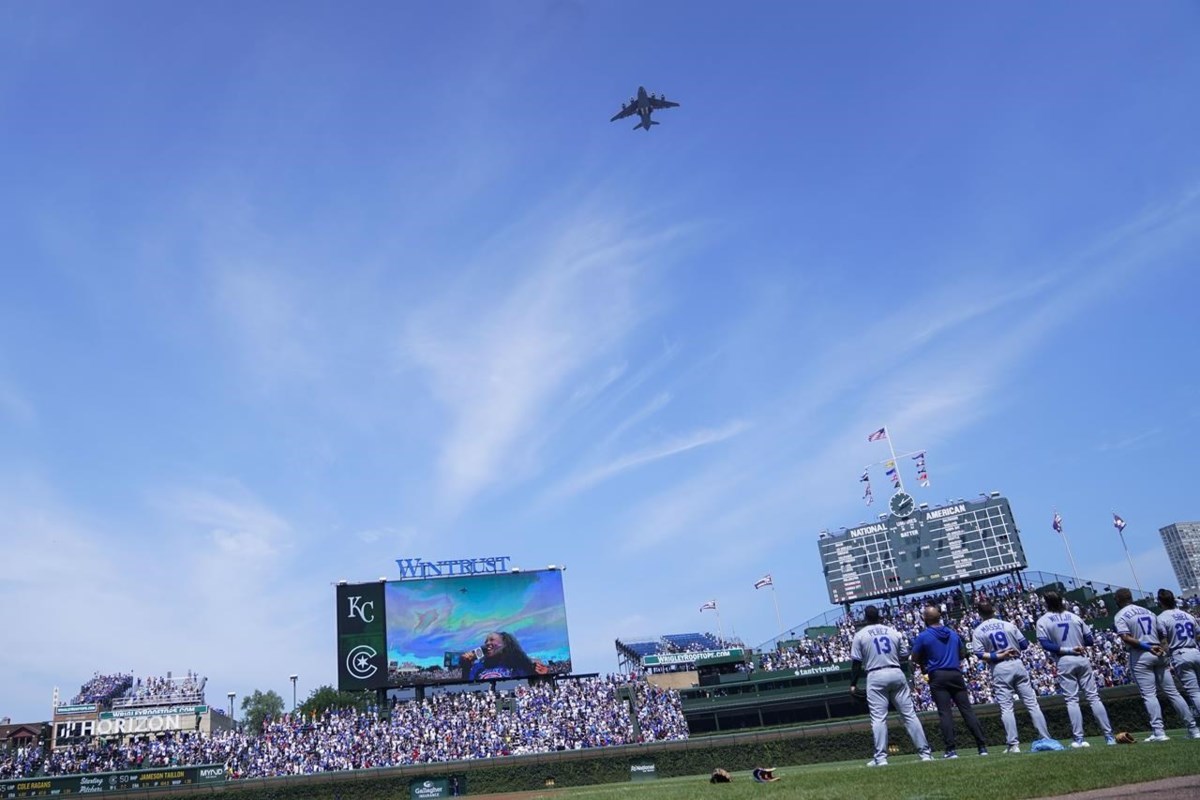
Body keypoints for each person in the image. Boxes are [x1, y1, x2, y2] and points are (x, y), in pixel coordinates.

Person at [848, 604, 933, 767]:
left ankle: (881, 758)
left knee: (879, 718)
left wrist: (852, 684)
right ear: (879, 616)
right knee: (909, 715)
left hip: (876, 674)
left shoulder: (860, 635)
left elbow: (856, 663)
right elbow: (904, 655)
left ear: (865, 618)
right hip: (895, 671)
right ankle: (925, 754)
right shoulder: (893, 632)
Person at [1113, 587, 1199, 741]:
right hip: (1159, 652)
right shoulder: (1149, 612)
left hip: (1141, 653)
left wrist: (1148, 647)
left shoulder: (1120, 614)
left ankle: (1159, 733)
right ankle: (1193, 729)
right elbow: (1163, 635)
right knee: (1173, 693)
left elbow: (1125, 637)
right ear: (1131, 597)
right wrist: (1162, 649)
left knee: (1149, 695)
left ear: (1118, 600)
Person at [970, 598, 1055, 753]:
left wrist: (998, 654)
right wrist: (1010, 649)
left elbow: (980, 654)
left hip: (1000, 667)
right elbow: (1024, 645)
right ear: (994, 609)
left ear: (979, 613)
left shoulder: (979, 630)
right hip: (1017, 663)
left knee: (1007, 708)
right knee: (1032, 704)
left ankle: (1013, 745)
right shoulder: (1009, 625)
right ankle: (1046, 738)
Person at [1035, 590, 1115, 747]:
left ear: (1046, 603)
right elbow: (1090, 640)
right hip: (1082, 658)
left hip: (1064, 660)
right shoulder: (1075, 617)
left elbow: (1045, 645)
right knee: (1093, 697)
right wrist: (1078, 647)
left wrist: (1069, 649)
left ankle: (1079, 739)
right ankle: (1109, 736)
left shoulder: (1043, 620)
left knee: (1072, 700)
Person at [912, 604, 988, 758]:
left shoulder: (924, 636)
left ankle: (951, 750)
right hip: (955, 673)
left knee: (945, 713)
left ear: (925, 619)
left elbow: (914, 657)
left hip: (938, 675)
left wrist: (925, 662)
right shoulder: (953, 634)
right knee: (967, 710)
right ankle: (982, 747)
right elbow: (962, 654)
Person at [1157, 588, 1200, 720]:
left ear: (1160, 602)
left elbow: (1163, 642)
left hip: (1180, 653)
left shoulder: (1161, 618)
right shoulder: (1188, 615)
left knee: (1194, 692)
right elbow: (1198, 634)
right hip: (1195, 651)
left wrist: (1164, 654)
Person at [459, 631, 549, 681]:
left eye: (491, 640)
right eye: (486, 641)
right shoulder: (478, 667)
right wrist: (466, 667)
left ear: (505, 644)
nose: (487, 643)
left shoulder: (517, 664)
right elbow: (468, 687)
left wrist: (542, 675)